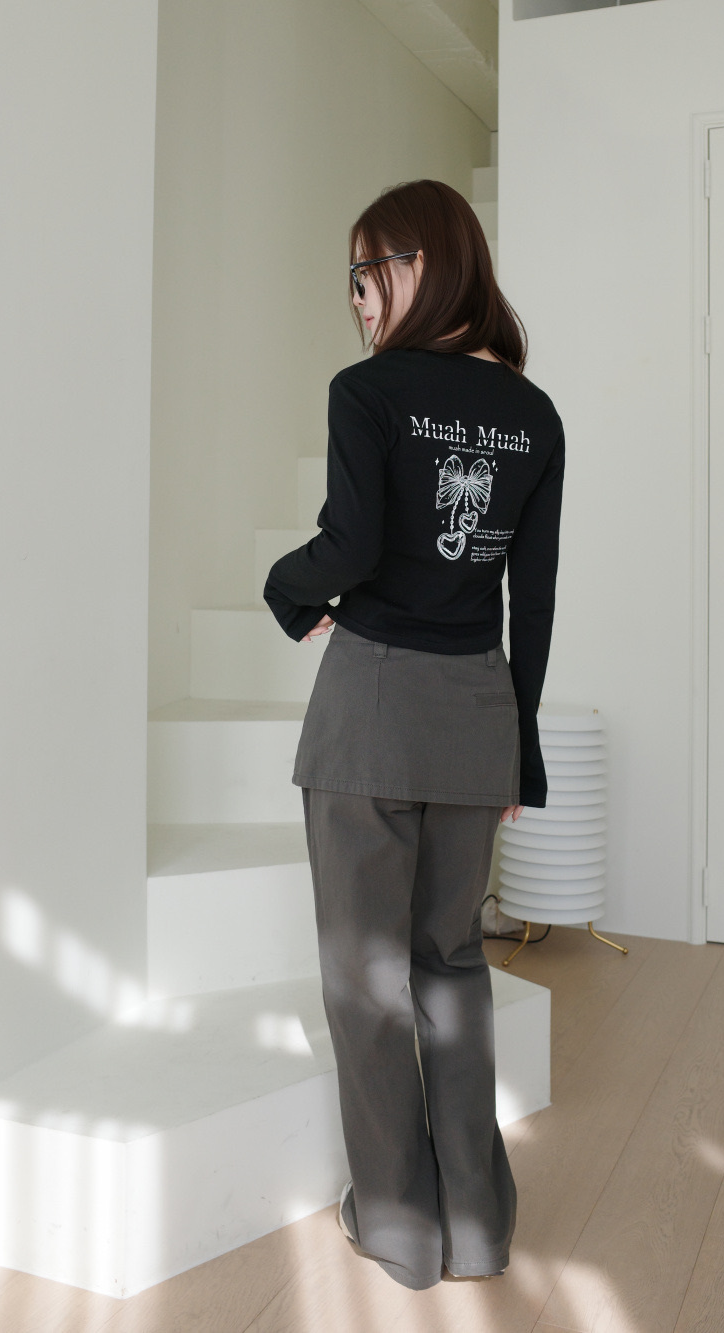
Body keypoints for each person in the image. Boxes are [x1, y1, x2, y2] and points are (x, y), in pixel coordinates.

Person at [263, 178, 565, 1292]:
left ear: (419, 264)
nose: (356, 300)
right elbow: (531, 599)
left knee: (367, 980)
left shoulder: (368, 391)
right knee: (452, 963)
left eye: (365, 273)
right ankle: (477, 1222)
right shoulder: (534, 415)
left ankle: (397, 1222)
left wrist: (285, 588)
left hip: (374, 709)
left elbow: (348, 546)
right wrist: (520, 745)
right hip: (476, 709)